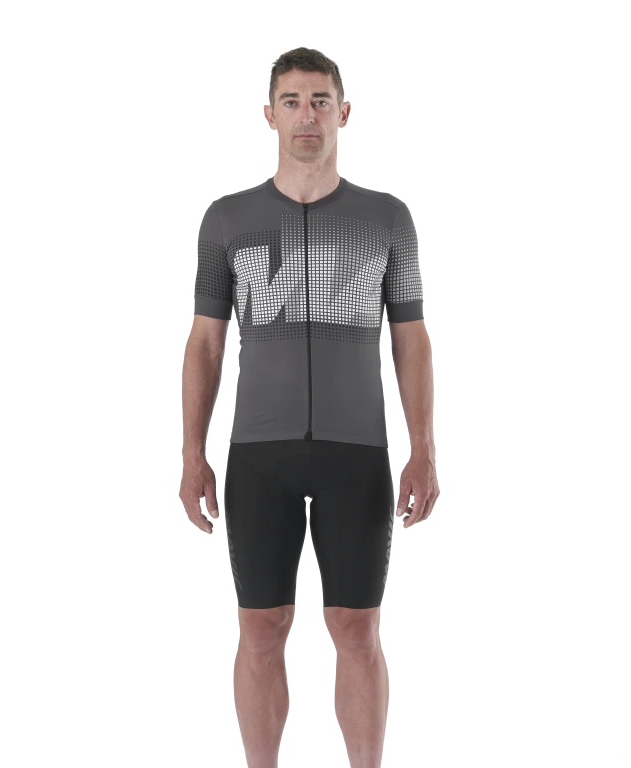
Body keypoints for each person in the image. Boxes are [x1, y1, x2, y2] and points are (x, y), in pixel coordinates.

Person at [179, 46, 439, 768]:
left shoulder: (387, 218)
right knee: (261, 628)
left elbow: (411, 339)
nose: (307, 116)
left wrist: (423, 448)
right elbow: (204, 345)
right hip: (259, 456)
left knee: (358, 629)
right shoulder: (227, 221)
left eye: (321, 101)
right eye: (291, 101)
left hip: (356, 453)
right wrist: (193, 453)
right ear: (269, 114)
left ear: (344, 112)